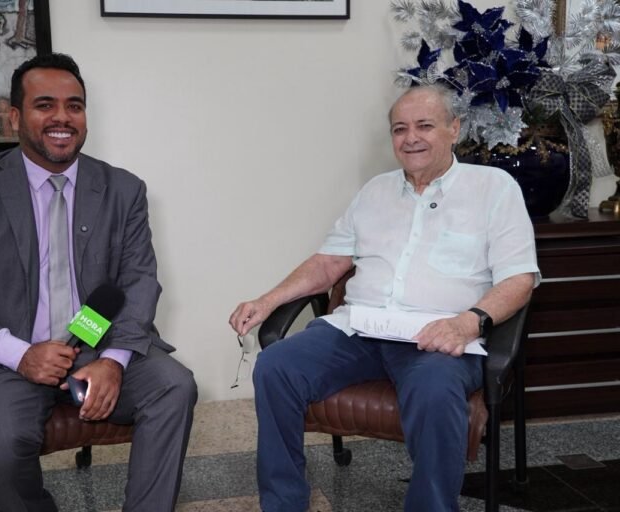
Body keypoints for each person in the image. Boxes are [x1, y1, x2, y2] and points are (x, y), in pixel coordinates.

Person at [229, 85, 539, 512]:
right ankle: (283, 504)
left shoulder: (493, 188)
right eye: (400, 129)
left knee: (434, 389)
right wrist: (267, 301)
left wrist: (467, 323)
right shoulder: (375, 192)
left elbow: (519, 279)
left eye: (424, 126)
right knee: (276, 366)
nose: (411, 138)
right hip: (358, 329)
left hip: (440, 336)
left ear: (454, 128)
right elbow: (328, 263)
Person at [0, 53, 197, 512]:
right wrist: (22, 354)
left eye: (75, 106)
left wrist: (113, 361)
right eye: (45, 105)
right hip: (4, 356)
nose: (62, 118)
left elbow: (138, 281)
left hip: (93, 343)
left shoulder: (123, 190)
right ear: (15, 116)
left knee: (174, 386)